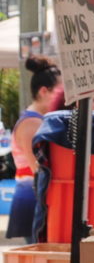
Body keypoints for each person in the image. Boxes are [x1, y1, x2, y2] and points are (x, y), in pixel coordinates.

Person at [6, 57, 61, 243]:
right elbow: (38, 169)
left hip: (36, 197)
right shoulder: (32, 123)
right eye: (60, 92)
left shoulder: (37, 120)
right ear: (44, 91)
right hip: (33, 199)